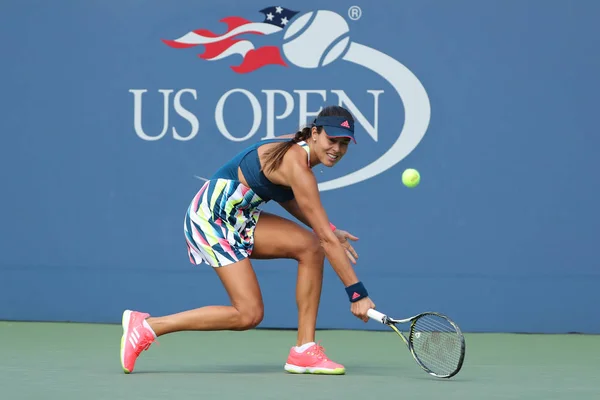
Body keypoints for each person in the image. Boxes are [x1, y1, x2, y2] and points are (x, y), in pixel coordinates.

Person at [120, 105, 376, 375]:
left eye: (344, 143)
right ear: (315, 133)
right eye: (331, 140)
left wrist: (329, 228)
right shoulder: (297, 164)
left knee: (310, 247)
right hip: (211, 218)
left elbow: (288, 198)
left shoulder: (296, 151)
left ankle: (304, 349)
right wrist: (357, 294)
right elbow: (324, 236)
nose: (336, 148)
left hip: (239, 214)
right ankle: (148, 327)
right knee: (248, 314)